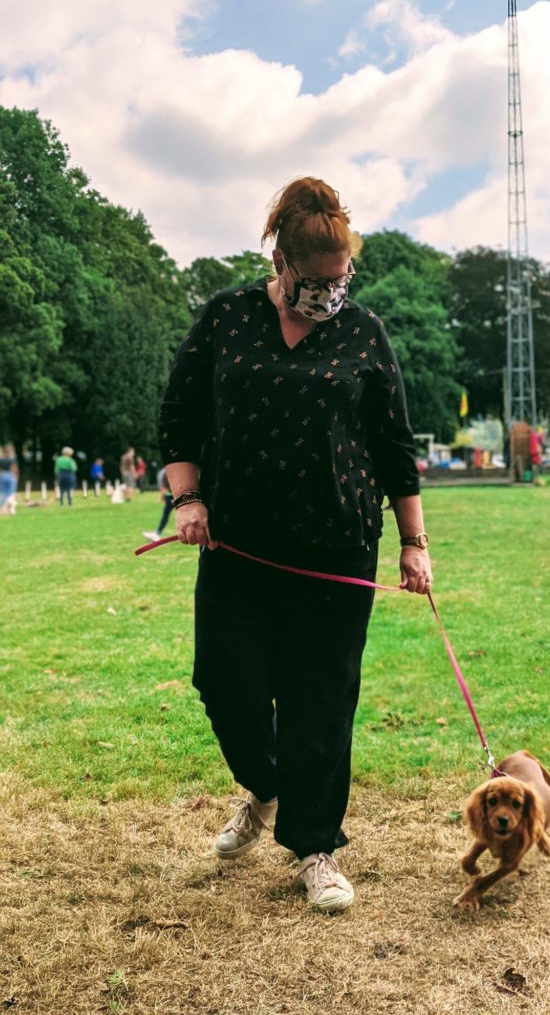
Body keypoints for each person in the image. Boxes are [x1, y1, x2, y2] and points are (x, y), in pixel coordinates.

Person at [158, 176, 431, 913]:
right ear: (280, 262)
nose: (329, 293)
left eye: (341, 279)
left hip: (336, 548)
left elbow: (394, 444)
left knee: (320, 700)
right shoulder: (226, 319)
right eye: (316, 281)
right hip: (238, 546)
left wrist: (414, 542)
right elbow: (178, 418)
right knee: (223, 678)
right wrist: (188, 498)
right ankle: (268, 787)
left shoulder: (365, 332)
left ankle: (315, 847)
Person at [142, 466, 174, 542]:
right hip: (171, 494)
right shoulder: (163, 472)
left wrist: (163, 496)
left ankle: (157, 533)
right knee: (166, 513)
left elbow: (162, 487)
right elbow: (163, 487)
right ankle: (157, 533)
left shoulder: (162, 472)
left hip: (172, 494)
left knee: (166, 513)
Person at [0, 444, 19, 514]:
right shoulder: (12, 459)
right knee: (10, 493)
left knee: (3, 493)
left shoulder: (1, 459)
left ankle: (3, 508)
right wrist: (16, 477)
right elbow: (13, 468)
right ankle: (11, 509)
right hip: (10, 475)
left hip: (2, 476)